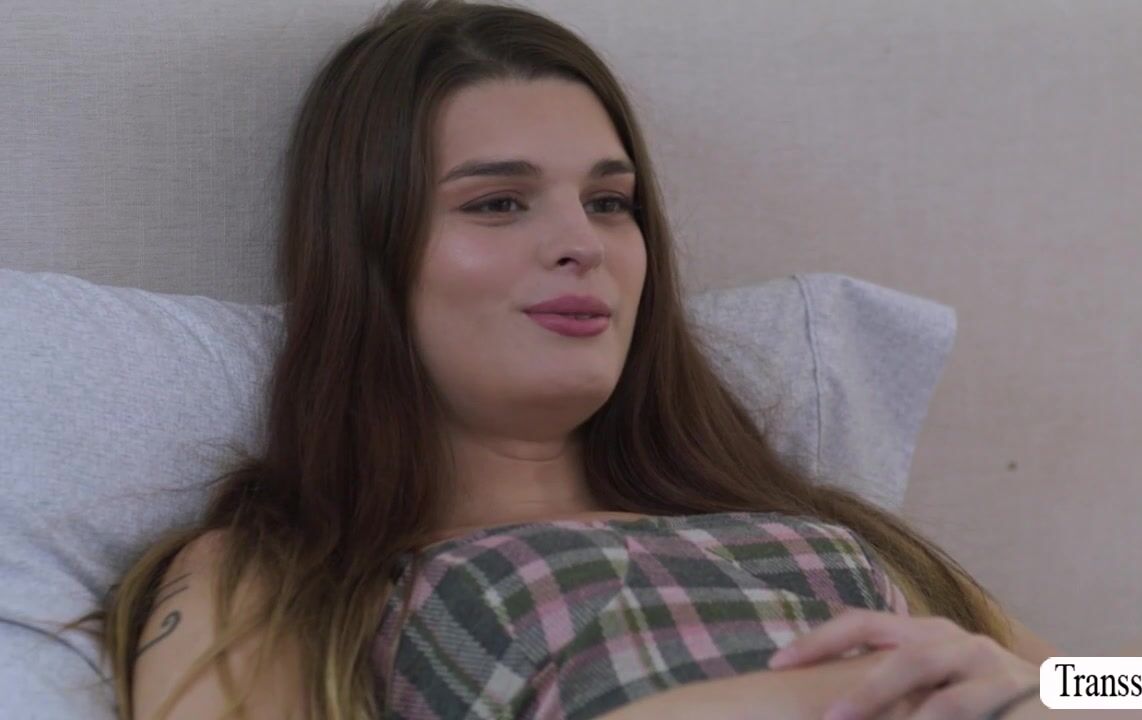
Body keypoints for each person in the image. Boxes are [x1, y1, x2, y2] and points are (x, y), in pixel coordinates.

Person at [65, 1, 1066, 718]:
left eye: (609, 202)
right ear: (371, 256)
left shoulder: (831, 531)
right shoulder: (286, 575)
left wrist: (1034, 685)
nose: (581, 243)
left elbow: (1136, 687)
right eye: (498, 202)